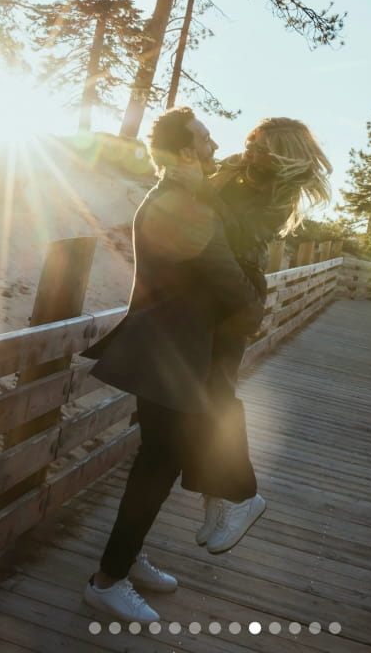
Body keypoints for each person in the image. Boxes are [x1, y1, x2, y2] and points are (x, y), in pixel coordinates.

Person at [81, 107, 266, 623]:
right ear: (185, 152)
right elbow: (227, 277)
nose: (212, 145)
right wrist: (256, 304)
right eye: (204, 140)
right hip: (167, 356)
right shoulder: (182, 204)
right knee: (163, 461)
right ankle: (107, 581)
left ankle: (125, 559)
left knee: (157, 463)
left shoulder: (180, 197)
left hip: (170, 354)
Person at [192, 117, 333, 551]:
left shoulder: (279, 194)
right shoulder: (239, 168)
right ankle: (217, 493)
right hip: (209, 285)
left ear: (282, 155)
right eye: (251, 141)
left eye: (260, 147)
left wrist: (204, 190)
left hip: (235, 292)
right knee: (200, 395)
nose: (249, 149)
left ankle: (242, 495)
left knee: (217, 394)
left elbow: (235, 231)